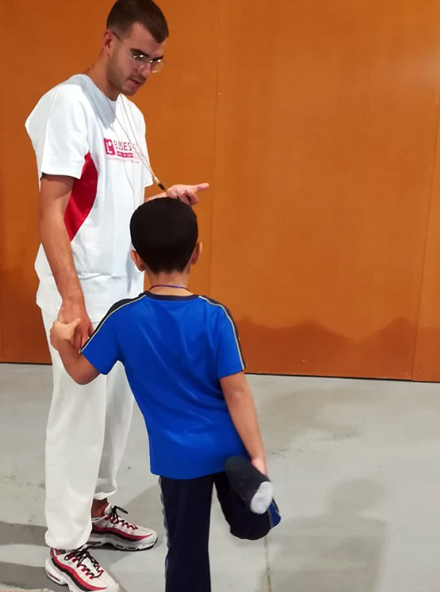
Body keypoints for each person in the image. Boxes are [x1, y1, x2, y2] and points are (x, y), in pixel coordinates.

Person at [25, 0, 208, 592]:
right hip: (82, 292)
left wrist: (165, 195)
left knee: (117, 412)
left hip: (128, 292)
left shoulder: (130, 116)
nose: (144, 70)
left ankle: (98, 511)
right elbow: (52, 210)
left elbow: (135, 189)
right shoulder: (68, 104)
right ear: (108, 40)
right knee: (77, 415)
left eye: (156, 61)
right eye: (137, 55)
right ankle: (65, 545)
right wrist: (71, 299)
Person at [50, 198, 281, 592]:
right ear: (197, 253)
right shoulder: (215, 316)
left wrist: (61, 343)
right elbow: (237, 393)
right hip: (227, 448)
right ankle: (255, 506)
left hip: (178, 460)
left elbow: (80, 374)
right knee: (248, 520)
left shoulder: (123, 318)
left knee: (186, 550)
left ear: (136, 260)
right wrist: (256, 456)